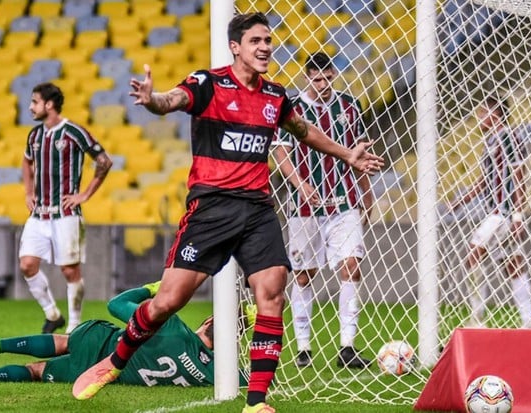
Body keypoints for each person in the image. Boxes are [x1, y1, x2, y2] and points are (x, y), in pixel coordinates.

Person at [71, 13, 383, 413]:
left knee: (272, 293)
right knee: (168, 301)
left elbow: (303, 130)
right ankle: (114, 363)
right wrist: (152, 100)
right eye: (255, 41)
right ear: (235, 46)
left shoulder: (275, 96)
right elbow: (172, 100)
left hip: (257, 208)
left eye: (268, 40)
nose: (265, 47)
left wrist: (347, 155)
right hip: (212, 208)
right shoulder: (209, 84)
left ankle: (256, 402)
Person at [271, 52, 374, 369]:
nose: (323, 84)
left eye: (328, 77)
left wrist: (367, 193)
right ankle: (303, 347)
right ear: (306, 78)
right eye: (316, 79)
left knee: (351, 266)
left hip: (344, 202)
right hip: (305, 207)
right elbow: (280, 153)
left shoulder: (349, 106)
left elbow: (357, 153)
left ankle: (347, 346)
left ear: (333, 74)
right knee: (304, 276)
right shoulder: (291, 109)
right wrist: (301, 185)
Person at [0, 283, 243, 387]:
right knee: (34, 373)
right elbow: (248, 379)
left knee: (62, 341)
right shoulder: (215, 375)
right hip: (98, 373)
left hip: (104, 342)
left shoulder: (172, 326)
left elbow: (116, 304)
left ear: (207, 321)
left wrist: (155, 288)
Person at [19, 82, 112, 334]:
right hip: (38, 214)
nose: (30, 107)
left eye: (34, 102)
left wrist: (85, 194)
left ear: (49, 105)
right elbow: (26, 163)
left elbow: (104, 161)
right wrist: (28, 192)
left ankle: (73, 326)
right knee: (27, 264)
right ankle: (52, 314)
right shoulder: (34, 135)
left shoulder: (73, 132)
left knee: (69, 270)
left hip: (66, 214)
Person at [448, 96, 531, 328]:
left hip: (503, 213)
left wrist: (518, 215)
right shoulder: (491, 140)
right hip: (496, 211)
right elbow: (485, 181)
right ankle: (528, 321)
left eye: (482, 112)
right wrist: (463, 199)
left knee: (474, 255)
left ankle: (477, 318)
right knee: (514, 264)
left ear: (494, 113)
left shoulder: (508, 137)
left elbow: (519, 174)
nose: (478, 118)